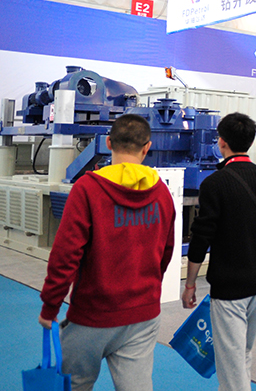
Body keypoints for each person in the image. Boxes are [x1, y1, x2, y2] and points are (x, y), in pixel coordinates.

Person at [38, 114, 176, 391]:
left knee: (74, 384)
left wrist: (50, 305)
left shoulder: (88, 189)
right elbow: (166, 250)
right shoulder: (161, 192)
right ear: (147, 147)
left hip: (93, 314)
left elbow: (65, 255)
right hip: (143, 313)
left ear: (108, 143)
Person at [182, 112, 256, 391]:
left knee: (231, 361)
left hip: (230, 283)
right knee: (243, 353)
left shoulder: (214, 183)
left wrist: (190, 283)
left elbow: (201, 237)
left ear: (221, 141)